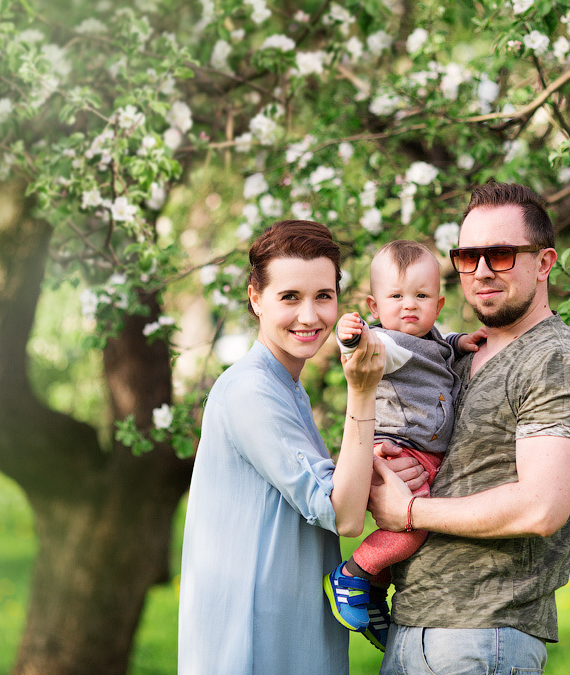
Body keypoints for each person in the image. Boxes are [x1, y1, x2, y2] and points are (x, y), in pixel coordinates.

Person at [368, 182, 570, 674]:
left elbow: (541, 507)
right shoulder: (454, 356)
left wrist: (410, 510)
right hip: (415, 626)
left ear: (544, 263)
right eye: (467, 256)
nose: (480, 271)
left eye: (500, 254)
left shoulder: (555, 359)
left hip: (482, 637)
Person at [177, 220, 428, 675]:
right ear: (256, 298)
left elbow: (320, 487)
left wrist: (375, 468)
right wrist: (362, 391)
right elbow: (342, 515)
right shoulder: (250, 391)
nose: (310, 316)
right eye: (290, 297)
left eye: (323, 296)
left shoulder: (286, 387)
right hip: (255, 648)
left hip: (292, 639)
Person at [324, 240, 484, 652]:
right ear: (374, 306)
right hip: (397, 449)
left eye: (421, 296)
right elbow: (366, 349)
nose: (409, 305)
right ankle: (353, 574)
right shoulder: (389, 344)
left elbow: (440, 346)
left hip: (421, 452)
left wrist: (461, 342)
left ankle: (374, 595)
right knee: (414, 530)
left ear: (438, 304)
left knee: (408, 532)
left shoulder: (431, 338)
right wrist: (350, 336)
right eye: (396, 297)